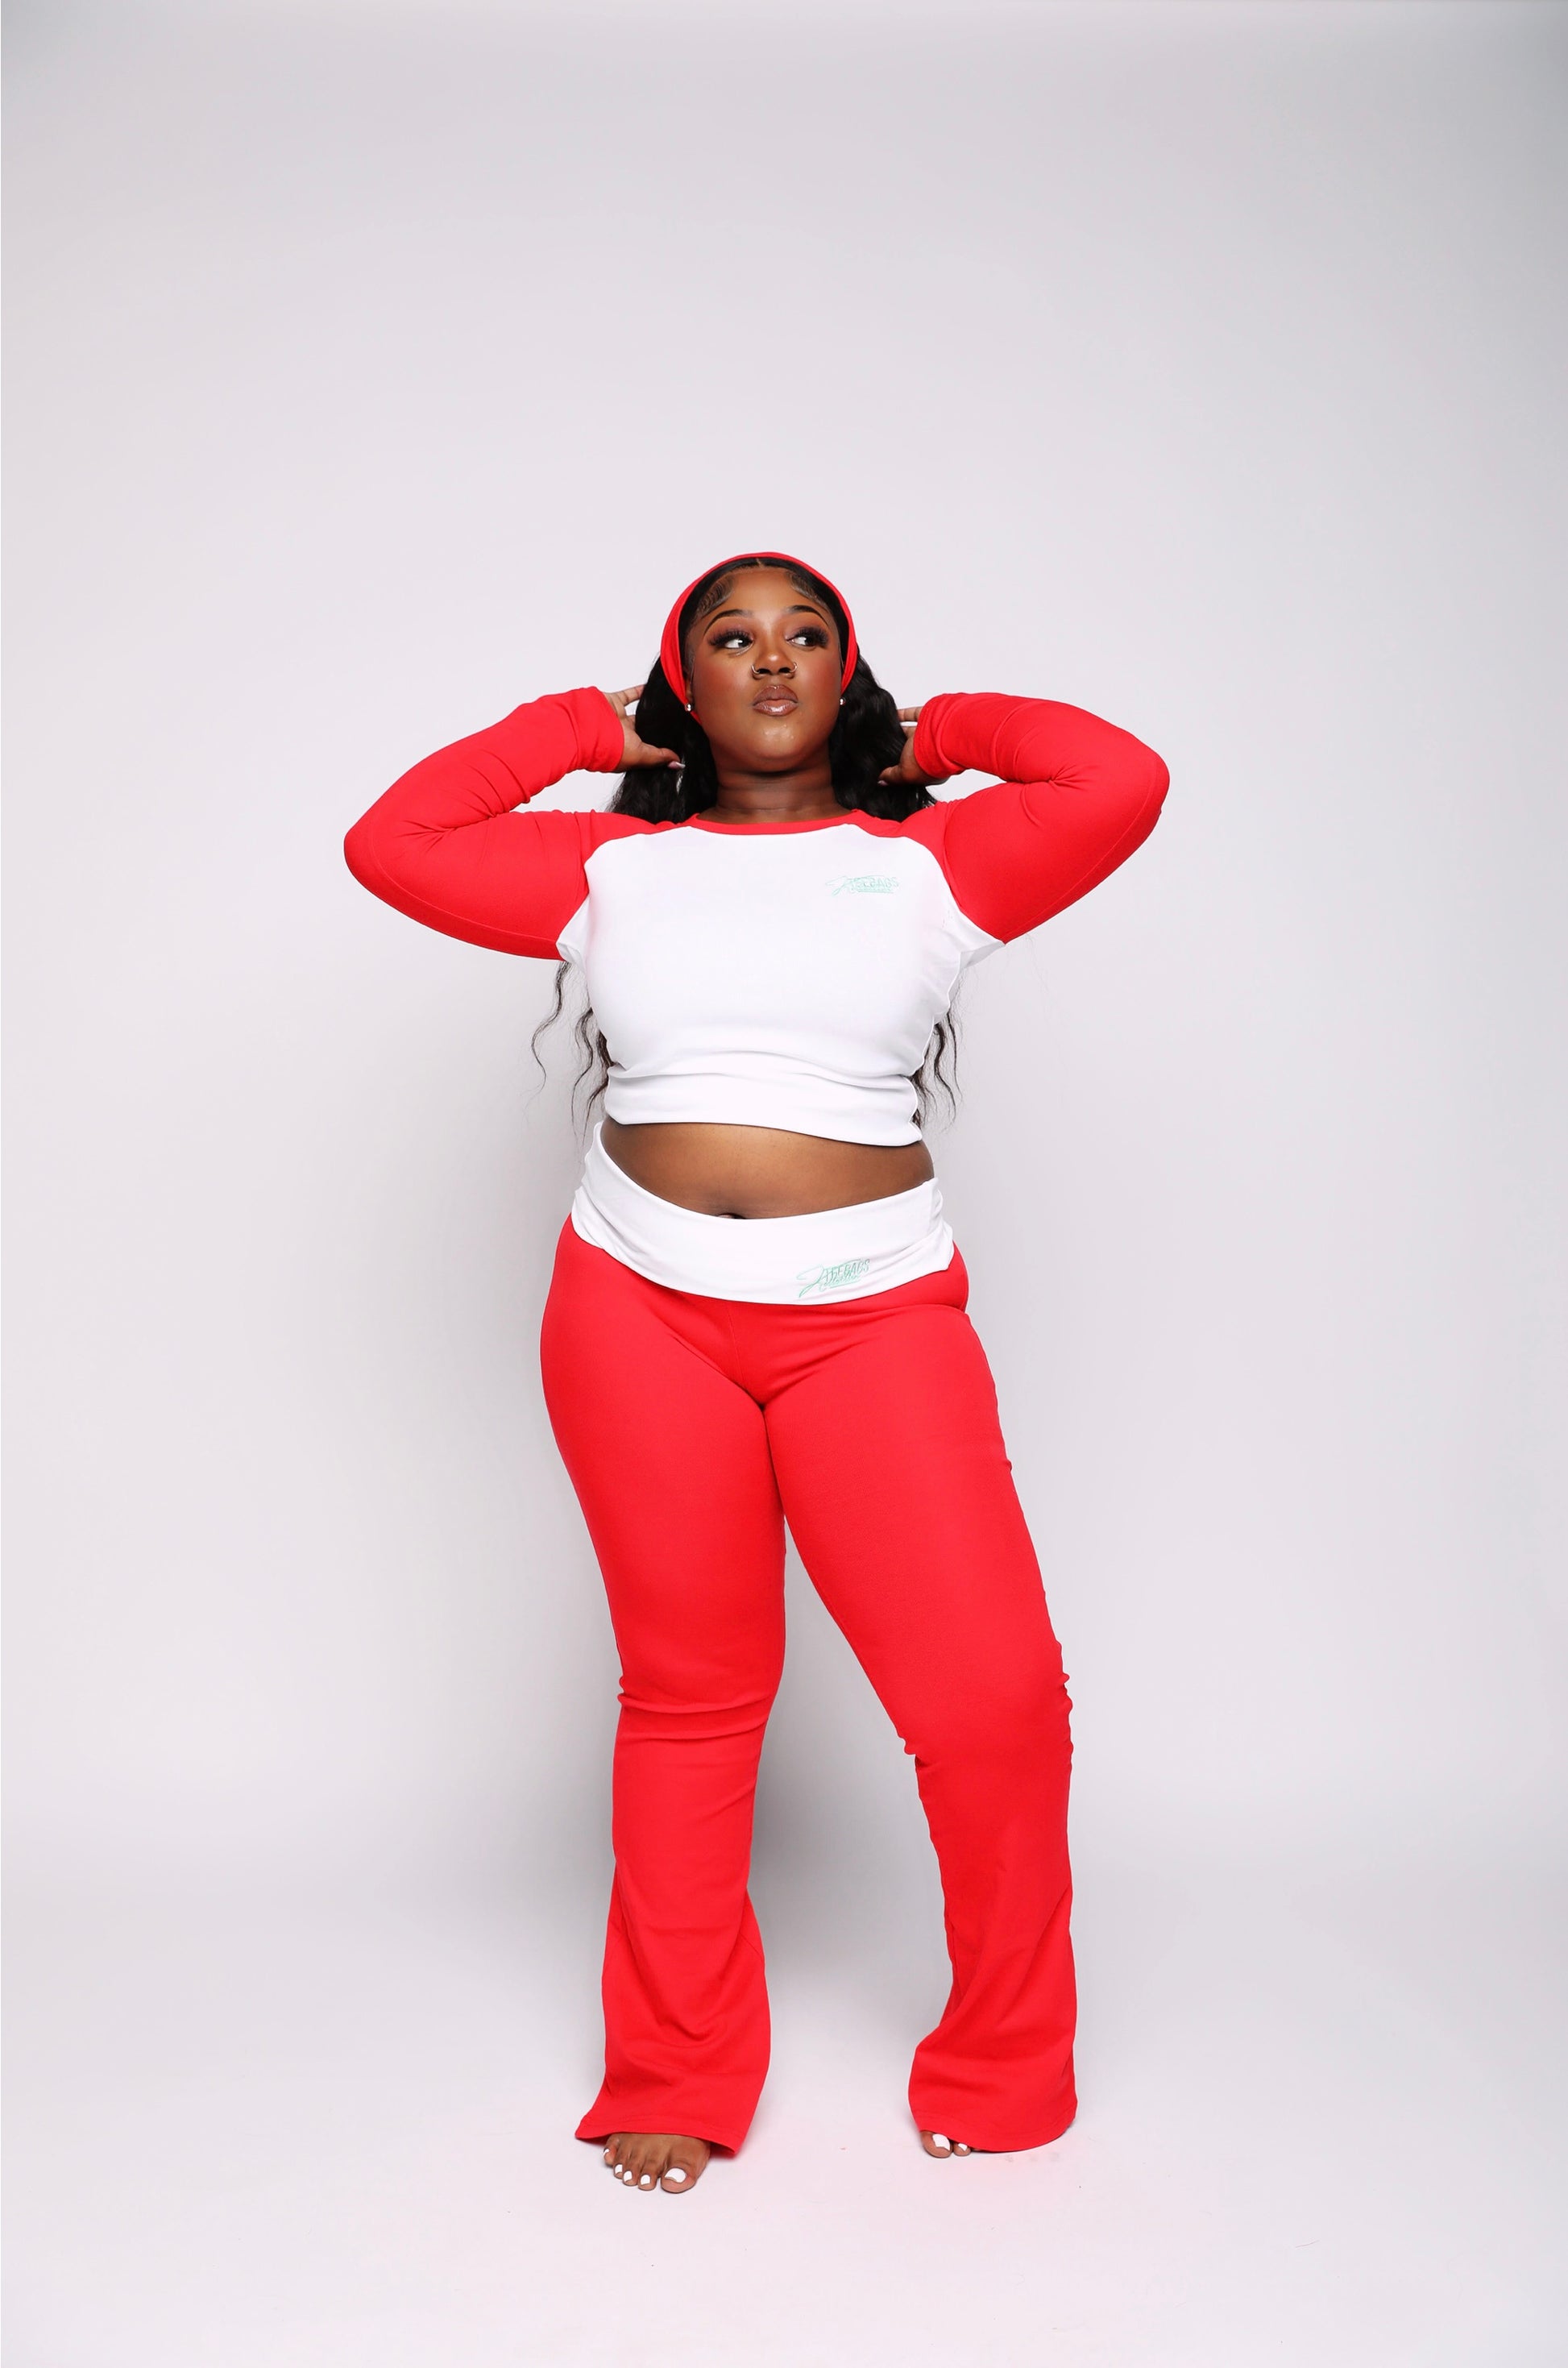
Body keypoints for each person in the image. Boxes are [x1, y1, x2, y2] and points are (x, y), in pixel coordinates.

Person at [344, 550, 1170, 2197]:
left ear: (845, 673)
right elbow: (395, 841)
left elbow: (1118, 777)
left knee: (993, 1701)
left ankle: (1008, 2050)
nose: (772, 660)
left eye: (807, 636)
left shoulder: (931, 861)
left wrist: (933, 734)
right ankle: (672, 2065)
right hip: (635, 1306)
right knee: (690, 1699)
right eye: (731, 637)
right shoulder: (612, 869)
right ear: (686, 683)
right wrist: (581, 725)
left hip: (872, 1316)